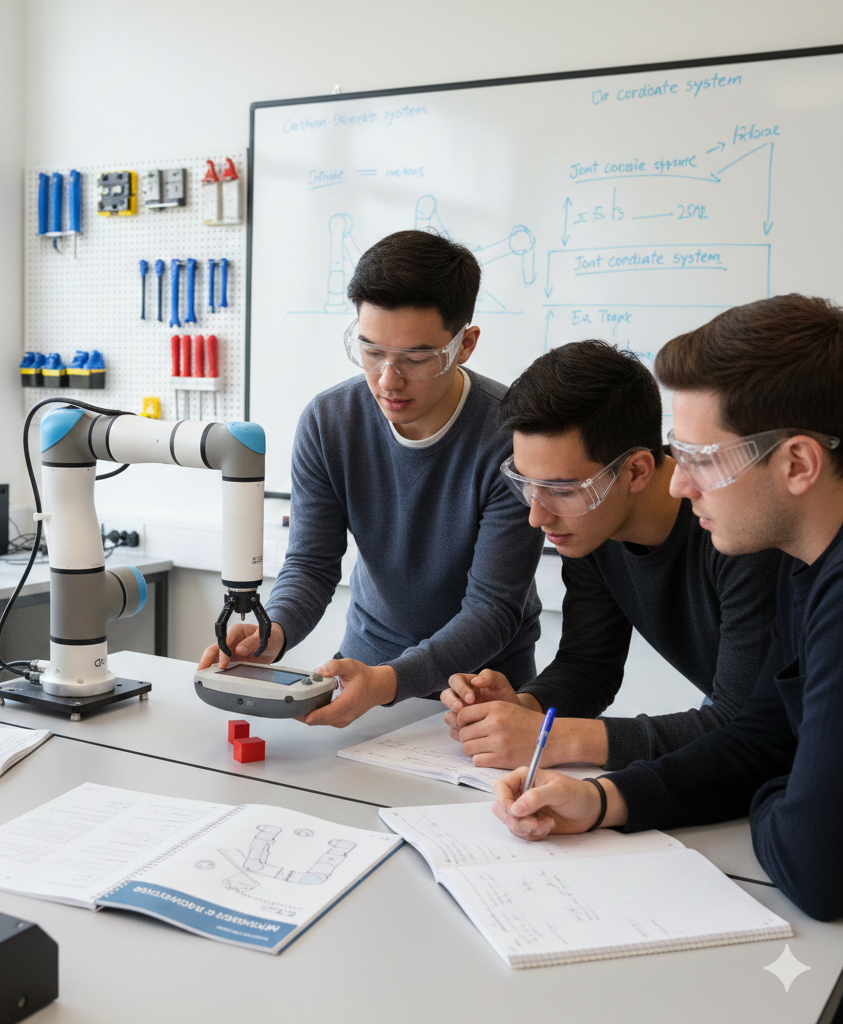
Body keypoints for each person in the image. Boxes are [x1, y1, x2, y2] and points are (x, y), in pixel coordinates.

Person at [493, 294, 843, 922]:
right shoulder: (804, 565)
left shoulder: (813, 579)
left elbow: (815, 865)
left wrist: (774, 788)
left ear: (797, 464)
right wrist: (602, 801)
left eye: (703, 460)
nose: (679, 482)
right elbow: (761, 736)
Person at [199, 230, 543, 726]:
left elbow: (492, 609)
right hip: (365, 671)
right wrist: (273, 631)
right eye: (371, 350)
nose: (387, 379)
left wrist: (391, 681)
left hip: (481, 691)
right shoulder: (328, 422)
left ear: (464, 344)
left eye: (416, 358)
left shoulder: (512, 437)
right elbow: (311, 566)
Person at [440, 340, 782, 769]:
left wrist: (555, 740)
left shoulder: (736, 529)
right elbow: (589, 664)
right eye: (527, 484)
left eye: (561, 490)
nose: (537, 516)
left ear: (637, 470)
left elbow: (742, 725)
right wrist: (525, 707)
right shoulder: (589, 521)